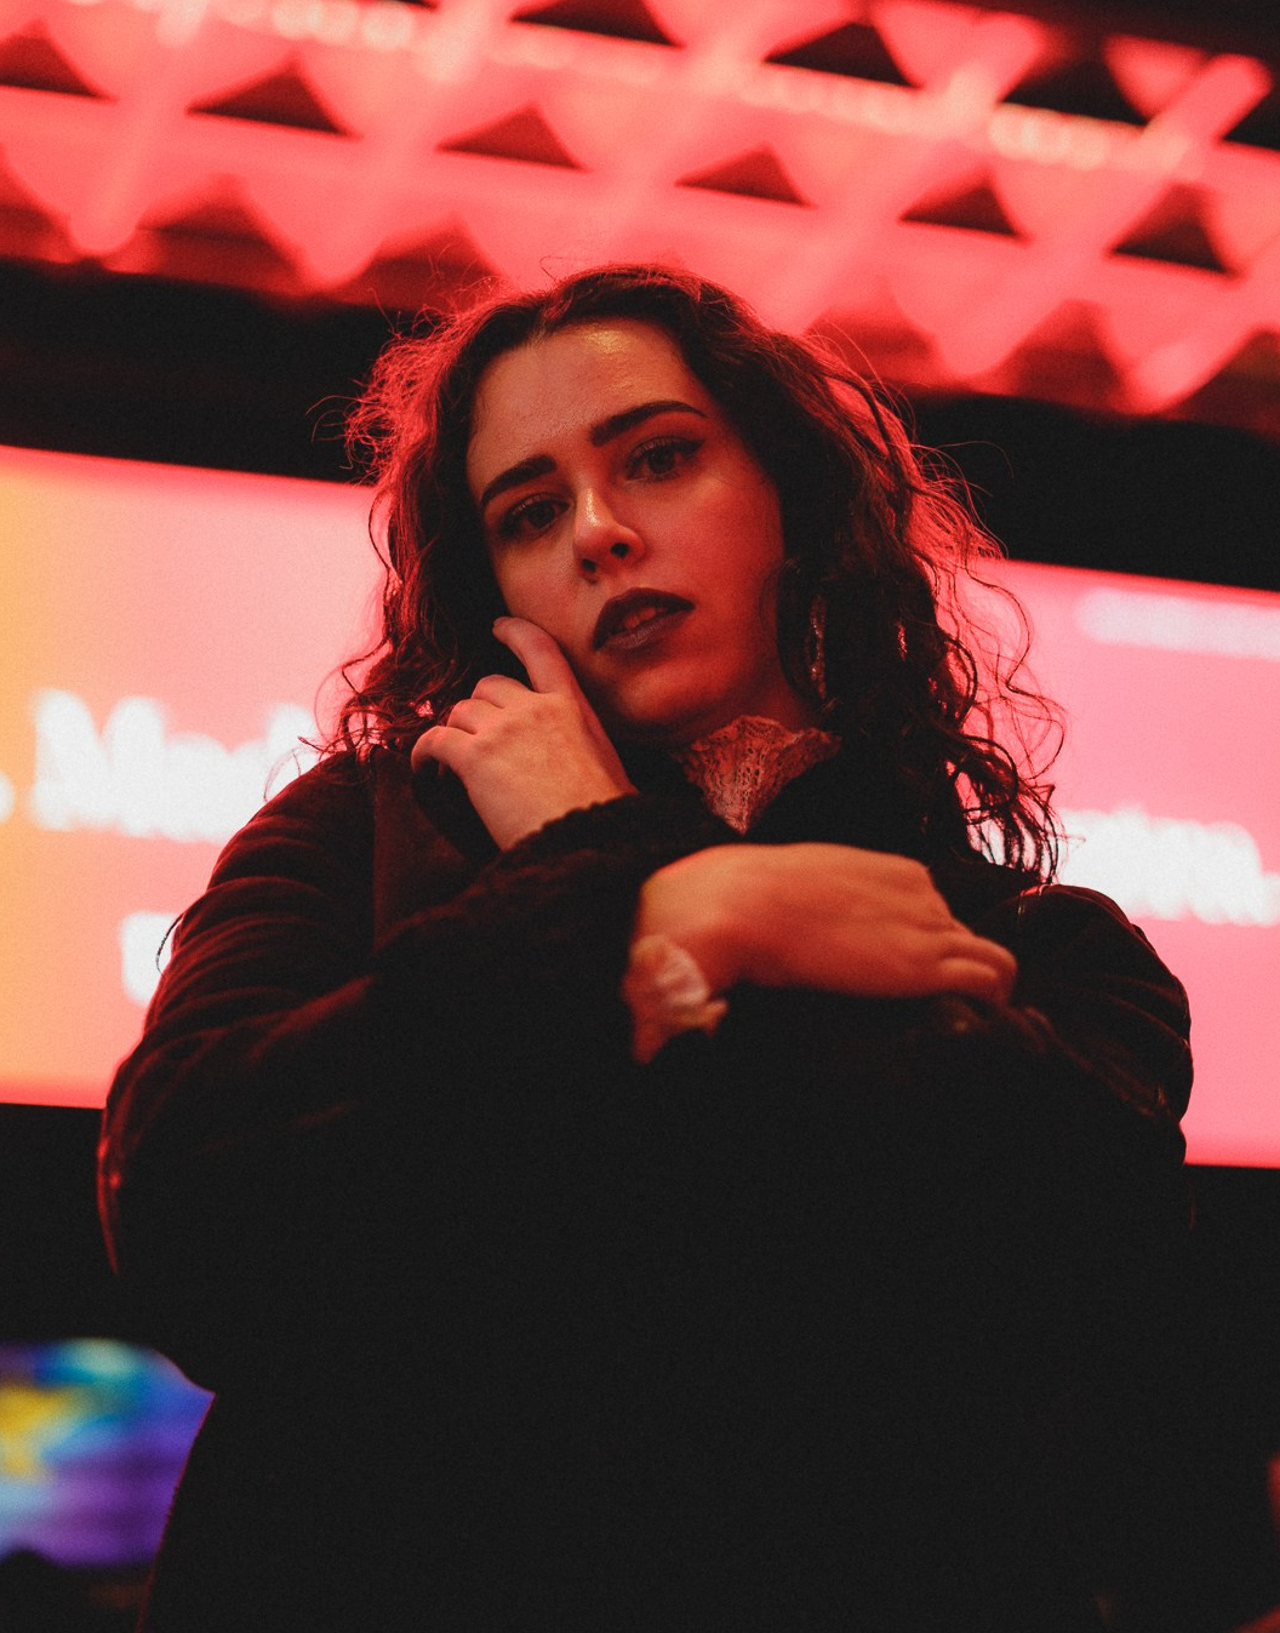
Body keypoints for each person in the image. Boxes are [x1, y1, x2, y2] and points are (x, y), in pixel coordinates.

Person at [98, 265, 1192, 1632]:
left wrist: (613, 862)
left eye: (660, 460)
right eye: (531, 510)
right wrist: (653, 902)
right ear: (491, 582)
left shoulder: (1038, 947)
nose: (601, 533)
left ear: (789, 494)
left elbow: (1013, 1310)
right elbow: (193, 1217)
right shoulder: (353, 837)